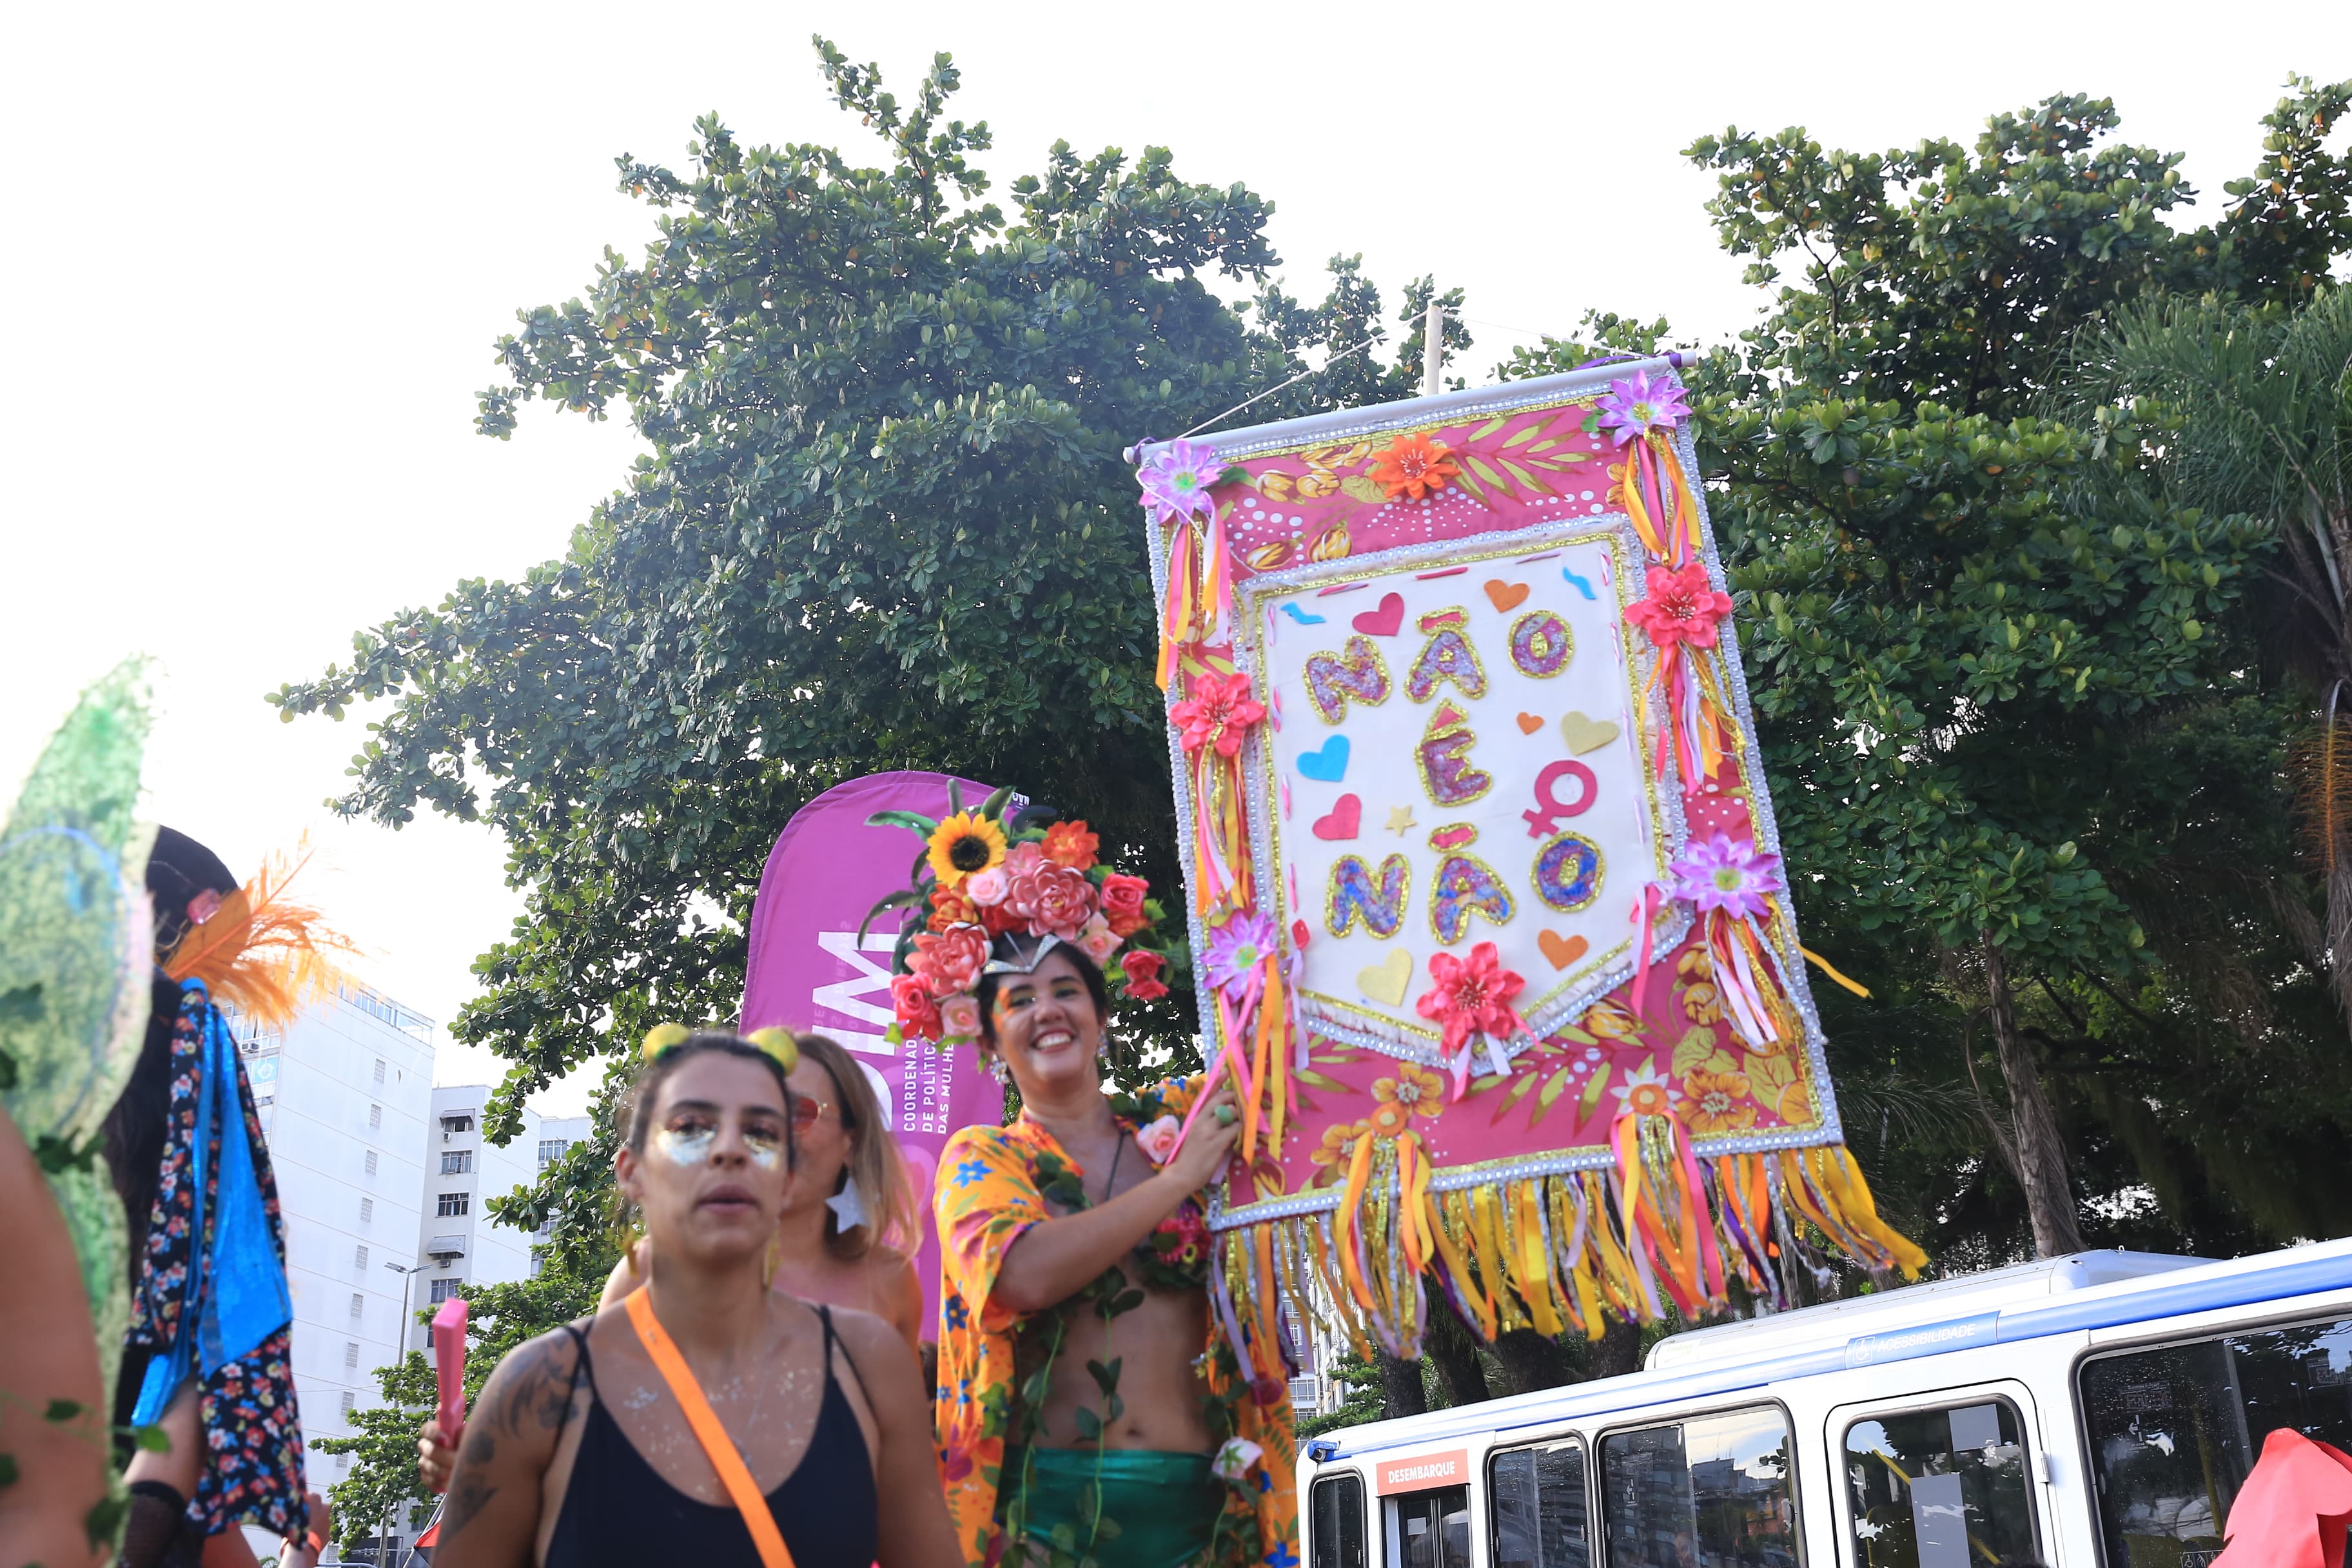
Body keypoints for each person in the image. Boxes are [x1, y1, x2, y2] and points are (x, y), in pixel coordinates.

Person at [885, 799, 1298, 1568]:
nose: (1047, 1009)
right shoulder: (982, 1156)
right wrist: (1176, 1182)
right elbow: (1020, 1272)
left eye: (1067, 991)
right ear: (987, 1034)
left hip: (1214, 1517)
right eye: (1019, 999)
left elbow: (1289, 1066)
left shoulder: (1180, 1118)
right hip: (1048, 1524)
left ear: (1103, 1017)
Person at [423, 1026, 959, 1568]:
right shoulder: (538, 1389)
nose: (729, 1149)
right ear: (633, 1172)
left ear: (786, 1174)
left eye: (762, 1131)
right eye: (691, 1127)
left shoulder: (873, 1360)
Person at [598, 1032, 924, 1351]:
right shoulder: (647, 1273)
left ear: (850, 1143)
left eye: (799, 1113)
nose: (774, 1135)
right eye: (756, 1119)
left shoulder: (891, 1283)